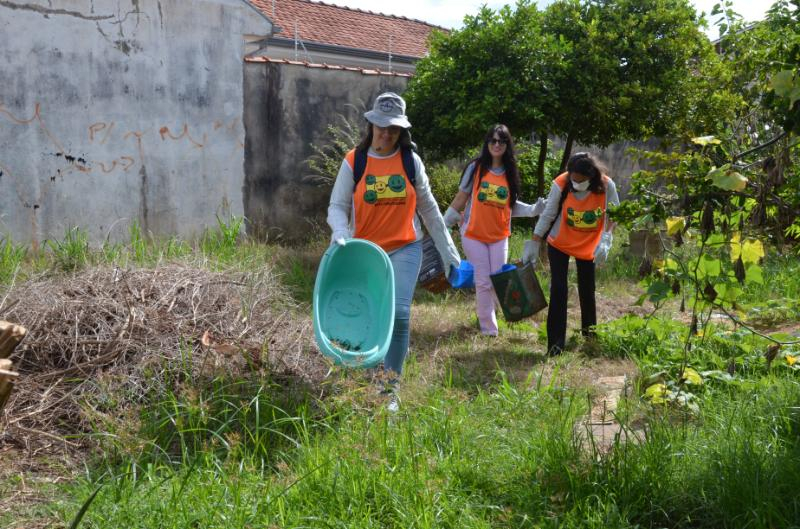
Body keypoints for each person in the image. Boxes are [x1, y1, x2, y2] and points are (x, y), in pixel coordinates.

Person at [327, 92, 461, 410]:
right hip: (365, 251)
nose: (386, 134)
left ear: (401, 131)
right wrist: (341, 233)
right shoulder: (354, 162)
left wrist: (449, 253)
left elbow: (429, 211)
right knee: (375, 315)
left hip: (405, 246)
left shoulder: (410, 163)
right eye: (381, 127)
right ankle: (373, 374)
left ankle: (390, 389)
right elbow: (336, 206)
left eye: (394, 129)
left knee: (399, 315)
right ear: (371, 125)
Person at [442, 124, 547, 336]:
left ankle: (510, 314)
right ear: (487, 143)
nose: (497, 144)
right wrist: (442, 224)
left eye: (502, 141)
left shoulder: (510, 172)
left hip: (499, 236)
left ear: (507, 145)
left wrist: (533, 210)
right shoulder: (476, 168)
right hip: (473, 234)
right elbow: (461, 198)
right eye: (493, 140)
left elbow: (510, 206)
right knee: (483, 281)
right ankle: (489, 329)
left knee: (498, 277)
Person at [523, 152, 618, 356]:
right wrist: (534, 240)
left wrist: (607, 238)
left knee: (587, 289)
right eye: (573, 179)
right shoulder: (561, 182)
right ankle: (555, 346)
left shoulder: (606, 185)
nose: (576, 183)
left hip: (589, 245)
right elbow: (548, 213)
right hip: (560, 242)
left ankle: (589, 338)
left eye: (580, 180)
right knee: (558, 289)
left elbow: (615, 213)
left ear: (591, 176)